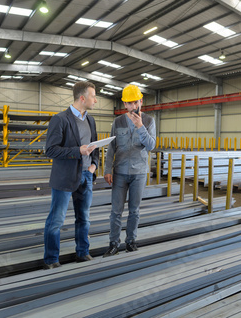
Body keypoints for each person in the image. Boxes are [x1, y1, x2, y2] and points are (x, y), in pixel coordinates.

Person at [43, 81, 99, 269]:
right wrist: (78, 151)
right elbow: (50, 150)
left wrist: (94, 165)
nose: (96, 100)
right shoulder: (60, 119)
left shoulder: (90, 120)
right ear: (82, 98)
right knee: (56, 220)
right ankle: (51, 259)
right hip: (65, 177)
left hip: (86, 176)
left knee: (84, 218)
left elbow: (95, 147)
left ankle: (82, 252)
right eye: (93, 96)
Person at [103, 84, 156, 257]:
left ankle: (131, 241)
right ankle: (113, 243)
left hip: (139, 172)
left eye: (135, 102)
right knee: (116, 211)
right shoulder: (117, 122)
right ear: (124, 104)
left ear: (141, 101)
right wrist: (107, 168)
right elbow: (111, 146)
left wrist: (140, 126)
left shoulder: (149, 121)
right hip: (120, 172)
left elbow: (151, 146)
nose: (132, 107)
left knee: (134, 210)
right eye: (129, 103)